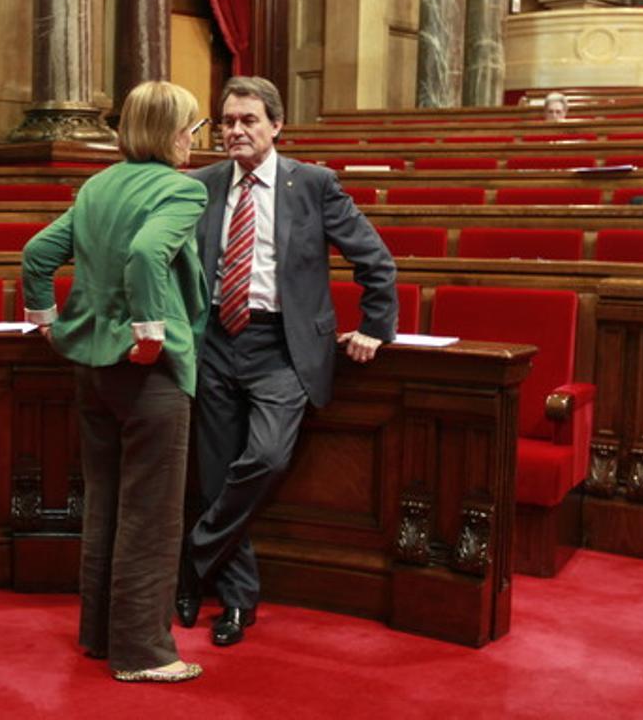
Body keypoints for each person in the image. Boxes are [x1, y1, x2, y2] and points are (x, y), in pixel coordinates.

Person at [176, 75, 398, 647]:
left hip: (283, 347)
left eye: (249, 120)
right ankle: (236, 602)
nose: (236, 131)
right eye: (227, 121)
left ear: (276, 125)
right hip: (217, 345)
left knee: (267, 458)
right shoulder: (201, 184)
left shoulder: (314, 184)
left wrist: (376, 328)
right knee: (219, 474)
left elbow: (375, 261)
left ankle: (191, 559)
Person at [22, 80, 209, 683]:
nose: (193, 139)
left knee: (104, 503)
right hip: (148, 372)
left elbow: (36, 254)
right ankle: (145, 654)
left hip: (92, 369)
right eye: (190, 127)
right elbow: (147, 255)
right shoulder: (180, 189)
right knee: (152, 515)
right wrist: (150, 331)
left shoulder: (97, 185)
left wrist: (43, 320)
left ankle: (101, 634)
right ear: (170, 132)